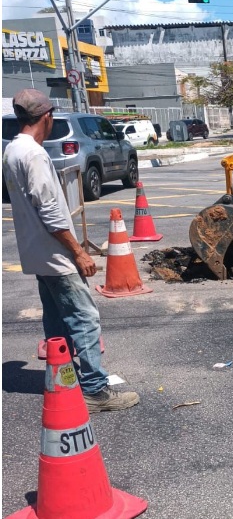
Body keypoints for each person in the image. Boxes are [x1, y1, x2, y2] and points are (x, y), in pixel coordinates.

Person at [2, 89, 140, 413]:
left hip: (38, 255)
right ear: (47, 117)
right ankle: (94, 389)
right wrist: (79, 252)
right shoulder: (33, 155)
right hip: (57, 256)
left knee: (57, 322)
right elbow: (50, 212)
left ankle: (63, 379)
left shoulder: (11, 150)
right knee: (85, 318)